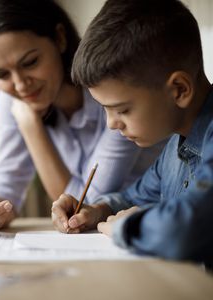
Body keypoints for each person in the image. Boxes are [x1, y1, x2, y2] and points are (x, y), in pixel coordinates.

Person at [0, 0, 163, 230]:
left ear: (60, 38)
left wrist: (30, 126)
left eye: (30, 62)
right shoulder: (12, 97)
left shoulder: (113, 92)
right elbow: (5, 187)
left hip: (148, 225)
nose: (20, 85)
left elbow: (83, 205)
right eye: (1, 74)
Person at [52, 0, 213, 264]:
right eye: (104, 109)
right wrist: (97, 210)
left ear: (179, 90)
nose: (111, 124)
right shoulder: (174, 147)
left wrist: (125, 227)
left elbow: (187, 230)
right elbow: (132, 197)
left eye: (122, 110)